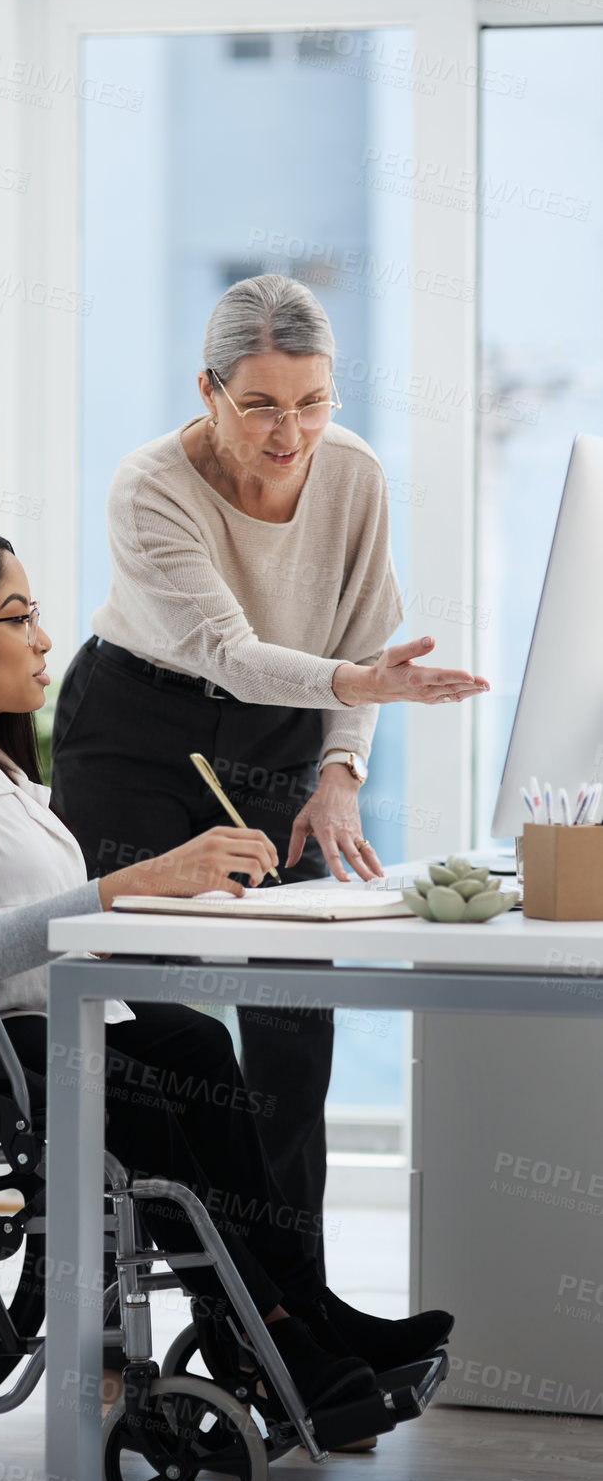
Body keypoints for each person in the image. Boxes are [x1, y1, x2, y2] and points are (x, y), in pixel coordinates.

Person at [0, 520, 452, 1429]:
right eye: (17, 616)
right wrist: (136, 879)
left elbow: (52, 917)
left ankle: (304, 1306)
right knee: (141, 1091)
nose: (42, 639)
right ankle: (266, 1334)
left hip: (30, 1018)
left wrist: (181, 897)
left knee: (192, 1041)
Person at [51, 273, 488, 1277]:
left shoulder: (355, 475)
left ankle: (291, 1311)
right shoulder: (149, 485)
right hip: (136, 727)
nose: (290, 431)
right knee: (134, 1016)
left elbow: (367, 633)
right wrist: (356, 681)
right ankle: (128, 1310)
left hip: (282, 739)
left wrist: (342, 768)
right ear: (207, 391)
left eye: (313, 402)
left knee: (293, 1020)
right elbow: (231, 653)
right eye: (260, 405)